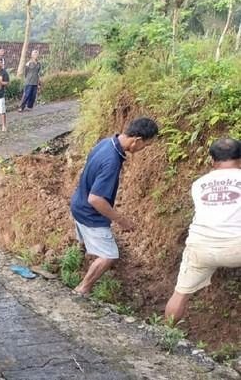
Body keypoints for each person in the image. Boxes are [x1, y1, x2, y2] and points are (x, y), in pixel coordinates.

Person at [70, 118, 159, 295]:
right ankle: (82, 290)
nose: (143, 150)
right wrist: (122, 221)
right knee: (109, 255)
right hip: (90, 214)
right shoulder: (112, 161)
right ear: (137, 140)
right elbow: (96, 199)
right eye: (145, 146)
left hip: (77, 203)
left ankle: (79, 268)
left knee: (90, 245)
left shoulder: (106, 142)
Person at [165, 138, 241, 323]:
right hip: (237, 248)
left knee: (180, 293)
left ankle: (166, 335)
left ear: (212, 160)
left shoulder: (198, 184)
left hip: (200, 247)